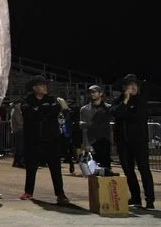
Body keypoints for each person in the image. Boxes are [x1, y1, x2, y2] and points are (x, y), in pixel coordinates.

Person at [19, 76, 69, 204]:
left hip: (51, 140)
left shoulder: (52, 99)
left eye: (45, 85)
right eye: (41, 85)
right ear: (35, 88)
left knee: (55, 168)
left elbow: (54, 111)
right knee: (31, 167)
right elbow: (29, 114)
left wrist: (39, 110)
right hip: (33, 140)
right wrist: (44, 111)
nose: (45, 87)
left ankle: (60, 193)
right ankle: (28, 191)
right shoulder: (27, 100)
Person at [111, 74, 154, 210]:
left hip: (139, 142)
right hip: (123, 143)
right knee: (128, 170)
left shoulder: (141, 100)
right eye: (130, 84)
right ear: (124, 88)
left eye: (135, 84)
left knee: (144, 170)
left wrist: (125, 110)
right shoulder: (119, 100)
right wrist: (125, 100)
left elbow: (137, 116)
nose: (133, 87)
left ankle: (150, 200)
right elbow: (115, 112)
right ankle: (136, 198)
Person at [79, 85, 114, 176]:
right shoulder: (84, 109)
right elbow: (83, 128)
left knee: (106, 170)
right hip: (91, 142)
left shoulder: (108, 108)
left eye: (94, 92)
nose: (92, 94)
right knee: (92, 171)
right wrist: (86, 144)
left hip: (104, 141)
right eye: (90, 92)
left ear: (100, 93)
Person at [10, 98, 25, 168]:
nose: (20, 105)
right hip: (18, 131)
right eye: (18, 104)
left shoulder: (15, 111)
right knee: (19, 147)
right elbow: (19, 122)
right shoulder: (16, 112)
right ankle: (18, 162)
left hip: (17, 131)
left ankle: (16, 162)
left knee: (18, 147)